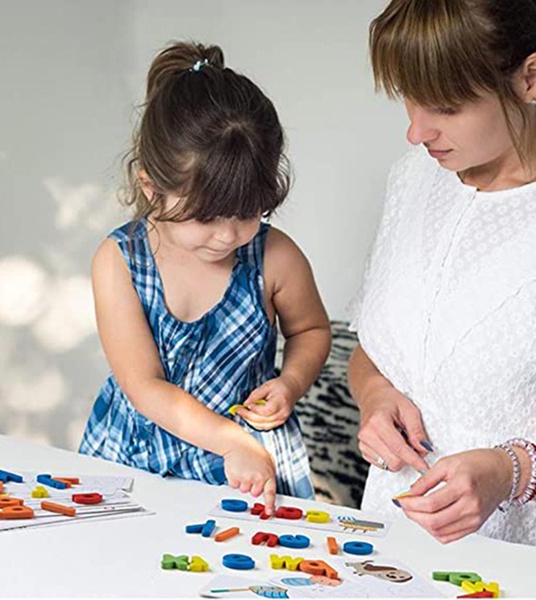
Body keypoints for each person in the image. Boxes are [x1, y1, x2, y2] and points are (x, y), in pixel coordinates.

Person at [349, 0, 536, 550]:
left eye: (445, 105)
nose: (416, 131)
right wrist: (376, 396)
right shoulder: (414, 182)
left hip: (534, 565)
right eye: (409, 98)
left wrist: (513, 471)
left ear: (532, 79)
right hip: (389, 549)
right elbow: (374, 348)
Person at [79, 41, 331, 514]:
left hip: (249, 471)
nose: (227, 235)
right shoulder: (120, 261)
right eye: (207, 216)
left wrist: (291, 383)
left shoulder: (275, 257)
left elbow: (311, 329)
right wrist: (232, 441)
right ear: (151, 187)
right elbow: (145, 386)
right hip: (135, 459)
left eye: (247, 212)